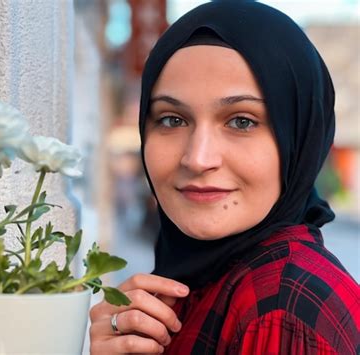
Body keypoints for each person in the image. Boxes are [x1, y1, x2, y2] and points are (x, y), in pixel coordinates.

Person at [89, 2, 360, 354]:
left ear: (299, 139)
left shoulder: (279, 310)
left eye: (242, 121)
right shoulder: (201, 282)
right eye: (172, 119)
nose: (197, 159)